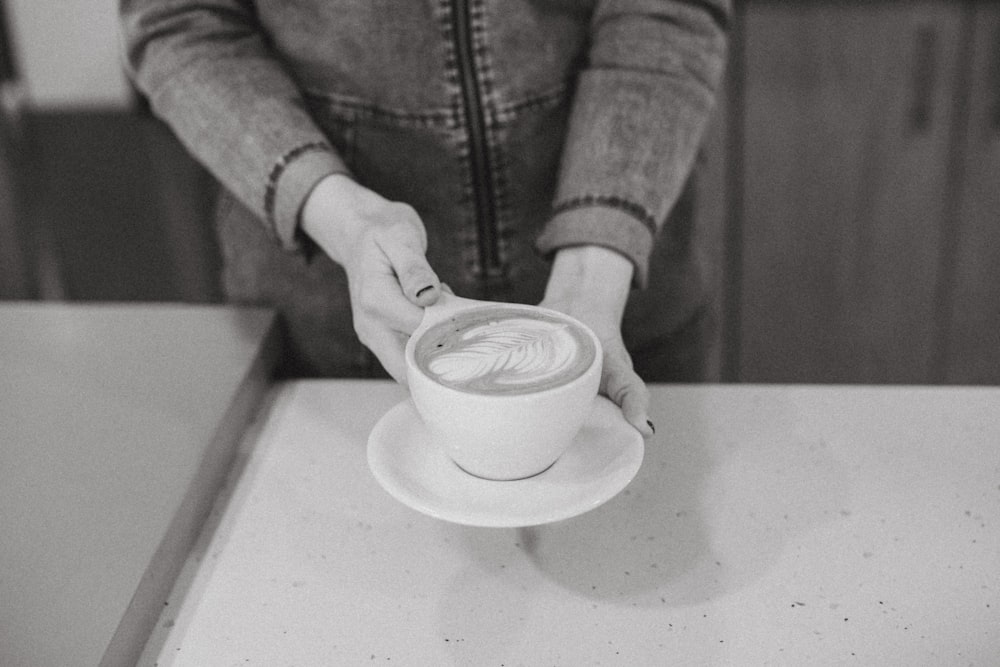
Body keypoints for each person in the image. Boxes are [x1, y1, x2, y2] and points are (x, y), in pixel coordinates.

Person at [120, 0, 730, 438]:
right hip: (332, 322)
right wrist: (340, 216)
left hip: (616, 308)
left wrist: (598, 255)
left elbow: (665, 14)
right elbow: (181, 22)